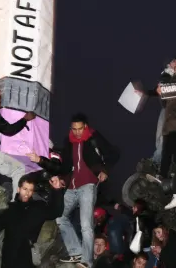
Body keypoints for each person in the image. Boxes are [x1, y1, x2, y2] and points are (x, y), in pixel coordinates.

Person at [57, 113, 119, 267]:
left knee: (86, 225)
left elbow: (113, 153)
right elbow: (65, 164)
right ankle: (76, 252)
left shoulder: (93, 137)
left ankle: (87, 261)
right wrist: (60, 177)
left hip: (88, 185)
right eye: (74, 129)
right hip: (71, 186)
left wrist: (105, 170)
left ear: (85, 126)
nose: (77, 132)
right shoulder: (68, 141)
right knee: (59, 217)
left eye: (80, 128)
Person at [0, 175, 65, 268]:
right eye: (25, 189)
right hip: (9, 255)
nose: (27, 193)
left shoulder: (38, 207)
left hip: (27, 254)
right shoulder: (10, 208)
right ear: (18, 189)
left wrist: (57, 190)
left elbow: (56, 212)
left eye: (30, 190)